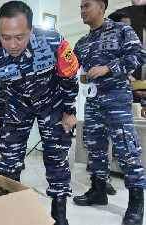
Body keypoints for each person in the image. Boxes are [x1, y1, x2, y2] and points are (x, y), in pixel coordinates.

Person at [0, 1, 79, 224]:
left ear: (30, 29)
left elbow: (69, 76)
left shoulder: (53, 41)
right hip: (19, 105)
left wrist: (69, 110)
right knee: (8, 160)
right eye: (5, 37)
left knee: (57, 158)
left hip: (53, 102)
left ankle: (59, 214)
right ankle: (13, 208)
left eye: (19, 36)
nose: (12, 44)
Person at [73, 1, 146, 225]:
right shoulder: (83, 42)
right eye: (81, 6)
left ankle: (136, 203)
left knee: (126, 147)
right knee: (95, 146)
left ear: (101, 7)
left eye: (87, 5)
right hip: (93, 100)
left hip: (117, 100)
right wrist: (82, 76)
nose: (82, 10)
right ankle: (98, 190)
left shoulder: (121, 30)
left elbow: (139, 55)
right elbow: (74, 66)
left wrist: (109, 68)